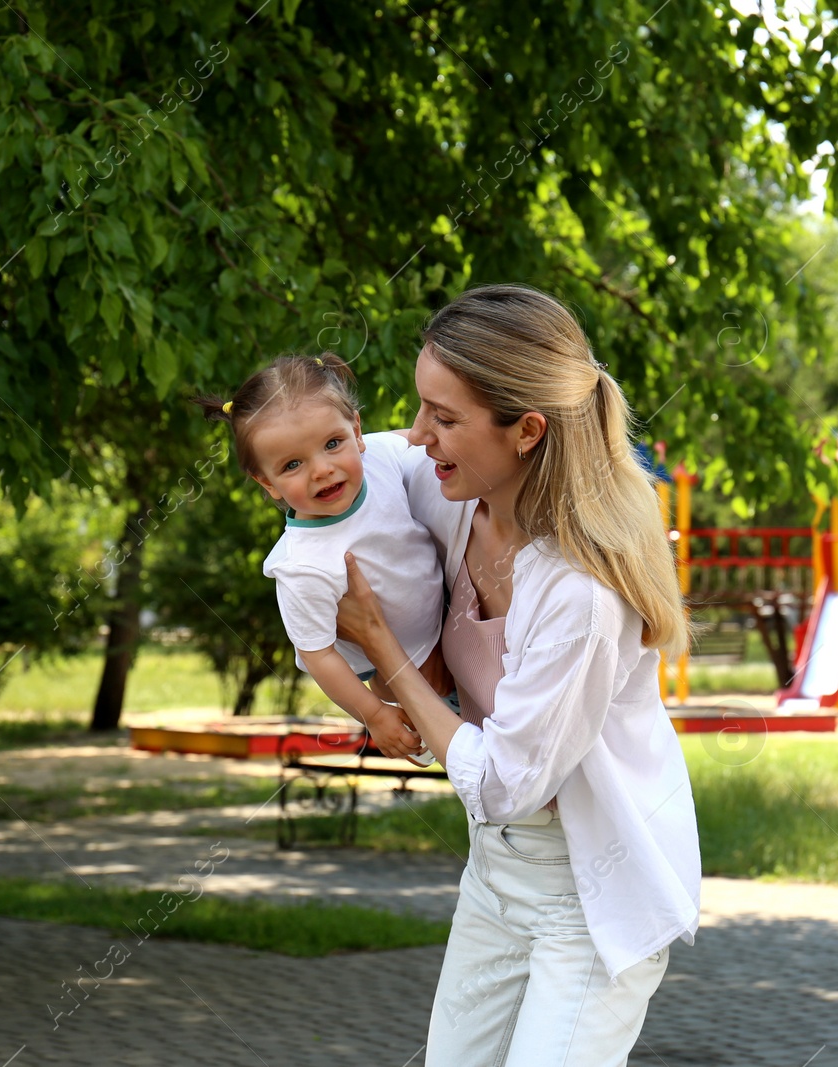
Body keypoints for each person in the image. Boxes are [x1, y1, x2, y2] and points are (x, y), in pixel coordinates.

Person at [334, 285, 701, 1065]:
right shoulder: (452, 489)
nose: (417, 433)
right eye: (420, 405)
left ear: (527, 430)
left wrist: (386, 657)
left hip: (589, 897)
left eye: (445, 416)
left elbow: (506, 781)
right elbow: (340, 472)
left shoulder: (581, 591)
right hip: (496, 878)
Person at [194, 353, 446, 762]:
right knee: (481, 772)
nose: (322, 470)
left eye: (333, 444)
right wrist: (375, 714)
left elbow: (425, 443)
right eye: (292, 464)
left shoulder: (379, 457)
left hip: (451, 629)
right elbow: (318, 653)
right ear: (267, 482)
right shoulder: (302, 566)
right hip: (402, 681)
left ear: (357, 432)